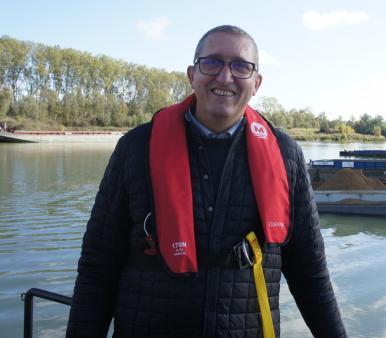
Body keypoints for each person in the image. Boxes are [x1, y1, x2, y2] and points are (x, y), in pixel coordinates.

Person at [66, 25, 346, 337]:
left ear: (256, 83)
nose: (225, 77)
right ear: (192, 74)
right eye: (211, 62)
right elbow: (98, 264)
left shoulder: (286, 155)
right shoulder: (136, 147)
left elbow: (310, 272)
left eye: (241, 66)